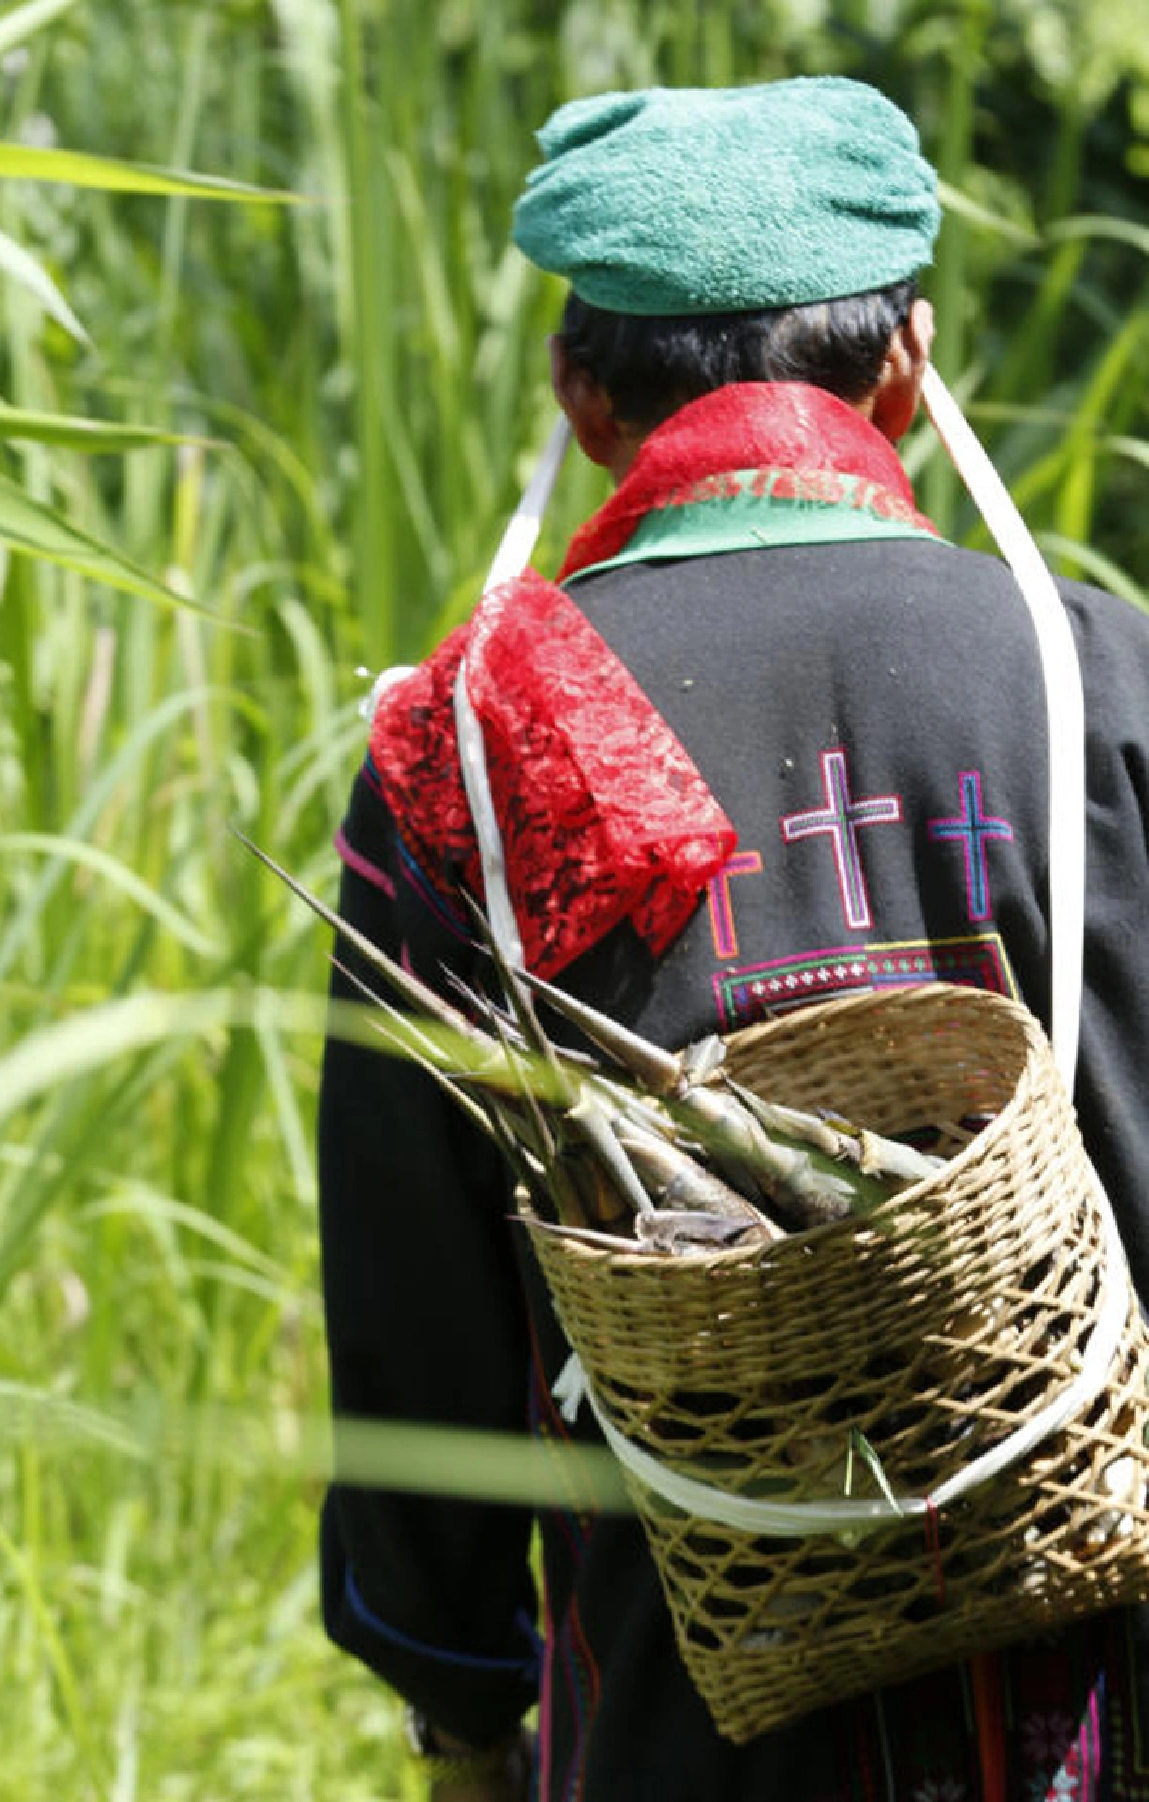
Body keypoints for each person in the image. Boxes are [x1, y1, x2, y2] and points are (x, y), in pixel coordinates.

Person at [317, 79, 1149, 1800]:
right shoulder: (1107, 691)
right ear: (905, 364)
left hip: (678, 1721)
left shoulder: (469, 757)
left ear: (581, 392)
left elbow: (422, 1309)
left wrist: (460, 1698)